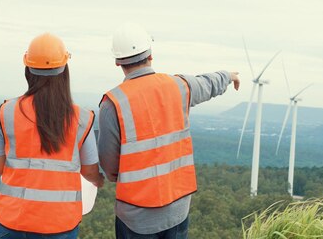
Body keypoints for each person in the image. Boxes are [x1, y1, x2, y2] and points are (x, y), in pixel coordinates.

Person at [98, 23, 240, 239]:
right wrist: (228, 75)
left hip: (136, 216)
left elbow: (109, 166)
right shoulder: (179, 86)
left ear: (118, 62)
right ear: (150, 55)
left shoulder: (112, 104)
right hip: (178, 209)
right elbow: (207, 84)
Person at [0, 33, 104, 239]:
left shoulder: (5, 112)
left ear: (28, 70)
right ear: (64, 71)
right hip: (59, 225)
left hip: (12, 221)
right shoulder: (82, 119)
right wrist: (100, 180)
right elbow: (89, 171)